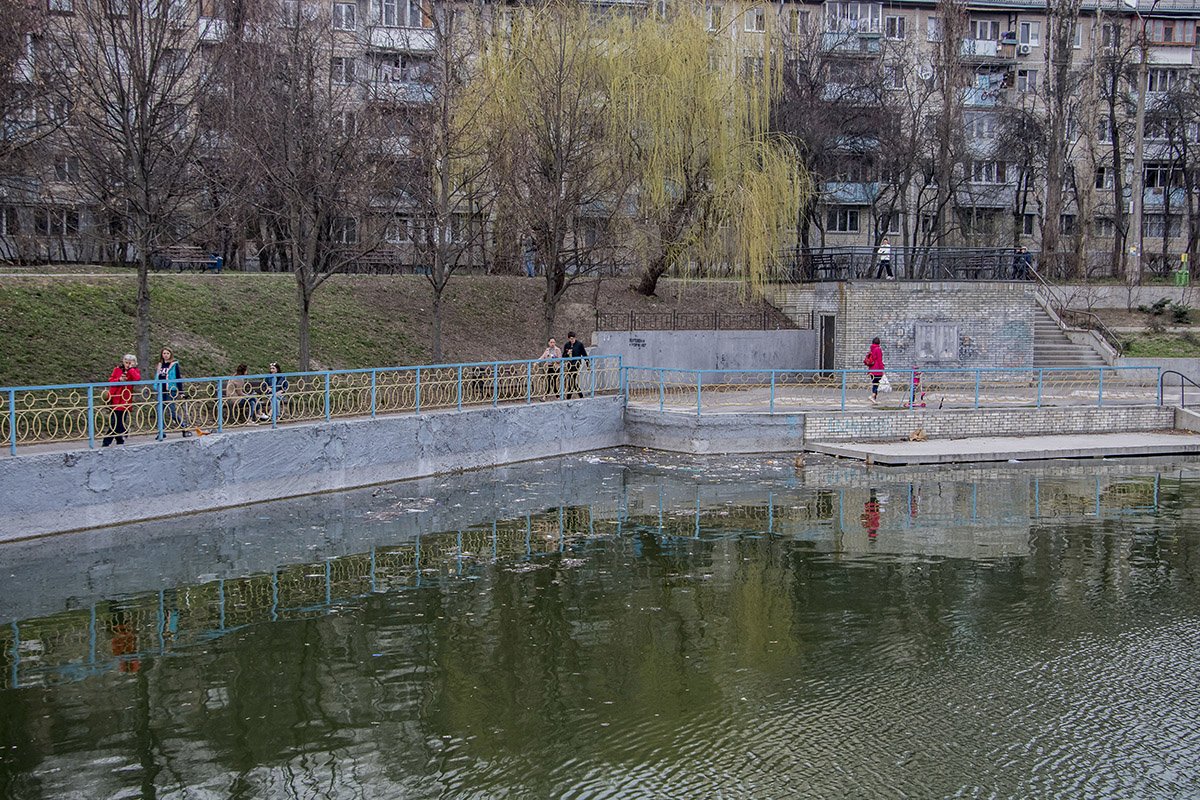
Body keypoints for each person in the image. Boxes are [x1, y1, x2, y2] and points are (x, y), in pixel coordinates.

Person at [154, 346, 192, 439]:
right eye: (164, 353)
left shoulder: (174, 365)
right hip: (161, 390)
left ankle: (183, 427)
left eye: (167, 353)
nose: (165, 355)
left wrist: (181, 392)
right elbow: (157, 376)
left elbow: (178, 378)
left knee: (172, 411)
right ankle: (161, 432)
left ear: (170, 354)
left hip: (171, 390)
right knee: (160, 411)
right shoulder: (160, 365)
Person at [102, 354, 141, 446]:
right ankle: (120, 437)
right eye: (126, 362)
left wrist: (131, 369)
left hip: (125, 399)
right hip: (115, 397)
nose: (127, 364)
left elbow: (137, 378)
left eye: (130, 363)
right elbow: (111, 380)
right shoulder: (118, 369)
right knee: (116, 421)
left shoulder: (134, 371)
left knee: (118, 421)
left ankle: (109, 441)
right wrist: (119, 380)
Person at [561, 331, 588, 399]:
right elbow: (563, 356)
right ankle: (580, 395)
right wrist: (567, 353)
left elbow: (584, 354)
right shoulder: (567, 345)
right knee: (572, 380)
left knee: (572, 379)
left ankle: (569, 397)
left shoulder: (579, 344)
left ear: (575, 338)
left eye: (573, 339)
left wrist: (588, 364)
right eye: (570, 339)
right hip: (569, 364)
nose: (572, 340)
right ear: (568, 339)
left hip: (576, 364)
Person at [863, 336, 885, 405]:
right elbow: (879, 360)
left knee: (874, 383)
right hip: (877, 370)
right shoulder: (878, 349)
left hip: (871, 370)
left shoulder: (871, 349)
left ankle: (874, 399)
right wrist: (882, 370)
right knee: (876, 384)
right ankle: (872, 396)